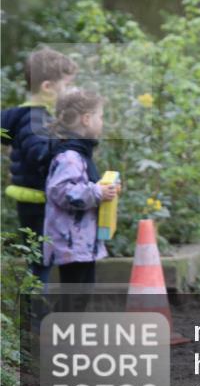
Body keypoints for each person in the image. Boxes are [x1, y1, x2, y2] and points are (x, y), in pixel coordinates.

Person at [1, 47, 78, 285]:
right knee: (40, 262)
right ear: (47, 87)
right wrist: (66, 141)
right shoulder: (36, 119)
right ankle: (34, 318)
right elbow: (40, 155)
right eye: (65, 86)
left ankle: (33, 315)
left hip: (35, 200)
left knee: (41, 259)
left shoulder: (30, 116)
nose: (69, 91)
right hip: (38, 202)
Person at [44, 88, 121, 312]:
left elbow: (84, 186)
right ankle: (58, 339)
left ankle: (63, 337)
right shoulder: (69, 157)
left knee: (81, 292)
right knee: (74, 296)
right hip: (72, 242)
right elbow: (60, 190)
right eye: (101, 116)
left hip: (82, 241)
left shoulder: (80, 154)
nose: (103, 122)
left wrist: (106, 191)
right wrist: (97, 192)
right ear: (86, 120)